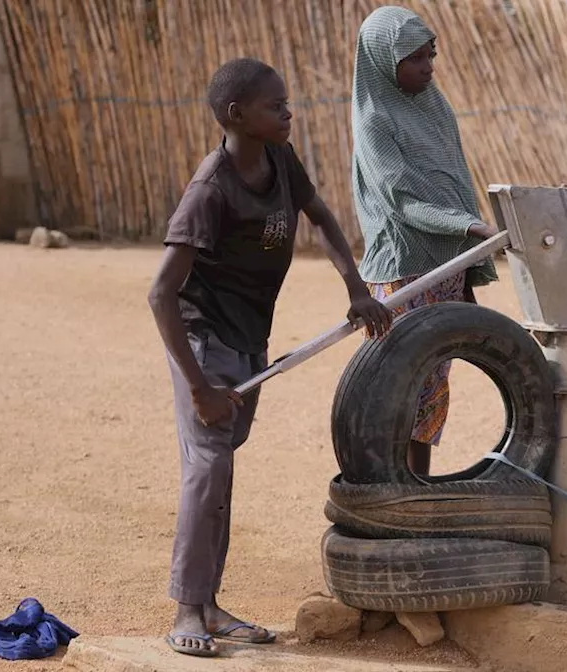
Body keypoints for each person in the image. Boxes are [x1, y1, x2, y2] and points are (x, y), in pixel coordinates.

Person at [147, 57, 392, 657]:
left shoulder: (280, 159)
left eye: (286, 103)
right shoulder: (210, 190)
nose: (288, 112)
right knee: (207, 468)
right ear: (236, 115)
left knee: (222, 467)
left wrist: (355, 286)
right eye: (274, 105)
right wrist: (200, 386)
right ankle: (187, 608)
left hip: (249, 343)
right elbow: (160, 294)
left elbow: (321, 216)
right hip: (204, 345)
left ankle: (208, 605)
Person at [350, 6, 499, 477]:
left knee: (433, 385)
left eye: (429, 54)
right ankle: (387, 489)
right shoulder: (374, 120)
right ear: (381, 61)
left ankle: (419, 487)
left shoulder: (435, 106)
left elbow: (455, 180)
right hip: (404, 273)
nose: (427, 67)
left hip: (446, 269)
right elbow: (401, 202)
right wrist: (472, 228)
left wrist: (468, 264)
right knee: (398, 384)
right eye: (413, 59)